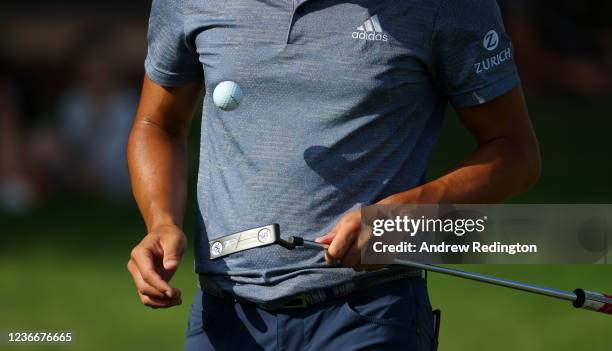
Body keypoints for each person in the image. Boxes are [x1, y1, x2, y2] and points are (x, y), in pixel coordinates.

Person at [126, 1, 540, 350]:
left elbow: (515, 151)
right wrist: (161, 222)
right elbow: (156, 125)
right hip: (223, 318)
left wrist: (414, 211)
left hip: (368, 314)